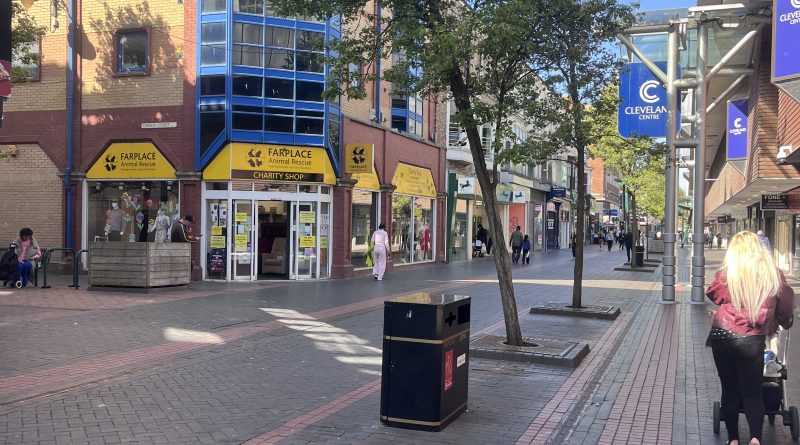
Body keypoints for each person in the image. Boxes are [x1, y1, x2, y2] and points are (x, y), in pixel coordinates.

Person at [706, 231, 794, 445]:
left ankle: (733, 439)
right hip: (752, 338)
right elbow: (785, 305)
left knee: (729, 389)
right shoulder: (773, 274)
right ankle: (755, 439)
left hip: (722, 334)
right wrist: (784, 321)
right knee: (752, 391)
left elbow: (713, 295)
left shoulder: (728, 273)